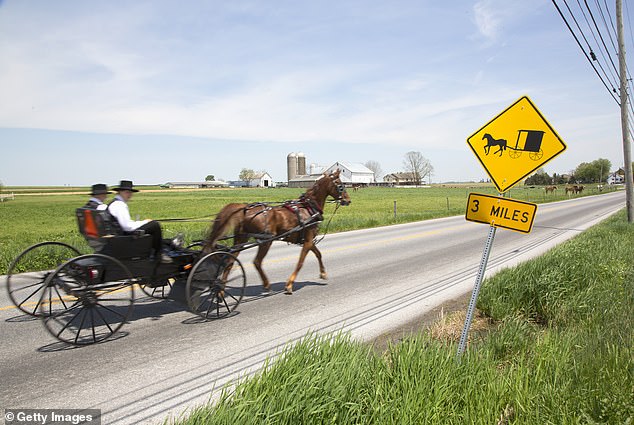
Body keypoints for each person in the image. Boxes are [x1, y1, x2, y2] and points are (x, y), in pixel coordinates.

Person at [107, 180, 170, 262]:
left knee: (151, 227)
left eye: (130, 192)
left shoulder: (114, 203)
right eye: (127, 192)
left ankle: (165, 244)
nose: (129, 195)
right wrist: (145, 222)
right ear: (119, 192)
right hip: (124, 237)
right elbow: (127, 226)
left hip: (119, 235)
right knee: (155, 225)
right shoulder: (119, 205)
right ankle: (159, 255)